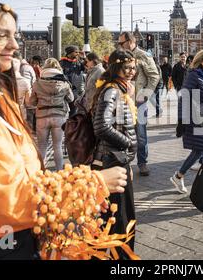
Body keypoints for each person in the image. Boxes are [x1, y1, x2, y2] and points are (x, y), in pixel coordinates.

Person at [0, 0, 128, 260]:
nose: (14, 45)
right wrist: (92, 183)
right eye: (1, 36)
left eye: (15, 35)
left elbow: (17, 172)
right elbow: (5, 198)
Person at [91, 49, 138, 259]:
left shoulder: (121, 89)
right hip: (112, 161)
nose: (131, 71)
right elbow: (101, 126)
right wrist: (128, 143)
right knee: (120, 219)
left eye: (133, 67)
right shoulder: (112, 90)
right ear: (115, 67)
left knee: (110, 218)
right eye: (126, 67)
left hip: (117, 160)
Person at [170, 48, 203, 194]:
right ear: (202, 60)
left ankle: (180, 176)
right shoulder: (194, 75)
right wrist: (181, 120)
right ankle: (198, 182)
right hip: (195, 118)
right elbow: (184, 97)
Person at [118, 32, 160, 176]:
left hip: (138, 102)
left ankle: (142, 163)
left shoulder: (143, 55)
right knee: (122, 132)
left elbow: (154, 76)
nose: (119, 46)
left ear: (130, 42)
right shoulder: (120, 56)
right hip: (122, 100)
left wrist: (144, 95)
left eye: (121, 43)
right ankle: (125, 163)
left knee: (140, 134)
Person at [28, 58, 74, 171]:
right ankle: (59, 171)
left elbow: (32, 102)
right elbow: (71, 99)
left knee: (42, 146)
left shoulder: (37, 83)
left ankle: (40, 172)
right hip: (59, 116)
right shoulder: (64, 83)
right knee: (57, 146)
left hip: (42, 117)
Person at [60, 45, 85, 116]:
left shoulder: (79, 62)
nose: (78, 53)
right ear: (70, 53)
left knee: (75, 113)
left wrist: (84, 57)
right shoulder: (62, 62)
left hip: (77, 92)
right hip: (66, 91)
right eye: (76, 52)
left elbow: (86, 68)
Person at [12, 56, 32, 122]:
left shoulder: (1, 80)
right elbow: (28, 102)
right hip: (21, 112)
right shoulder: (25, 82)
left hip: (6, 111)